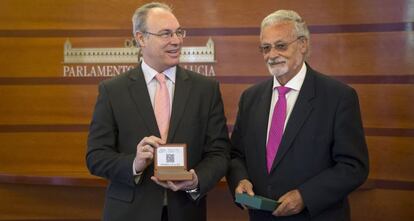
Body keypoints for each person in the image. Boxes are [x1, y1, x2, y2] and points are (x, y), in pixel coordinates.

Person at [86, 2, 230, 221]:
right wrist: (134, 163)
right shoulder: (112, 91)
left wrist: (195, 180)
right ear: (141, 38)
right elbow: (96, 157)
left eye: (179, 32)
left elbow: (219, 153)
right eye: (166, 34)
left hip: (185, 211)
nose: (177, 41)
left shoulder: (205, 90)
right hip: (129, 213)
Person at [226, 9, 369, 221]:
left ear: (303, 44)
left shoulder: (338, 96)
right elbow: (236, 154)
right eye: (266, 48)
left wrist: (305, 196)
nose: (272, 55)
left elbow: (353, 166)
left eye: (281, 46)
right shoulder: (251, 97)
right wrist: (241, 180)